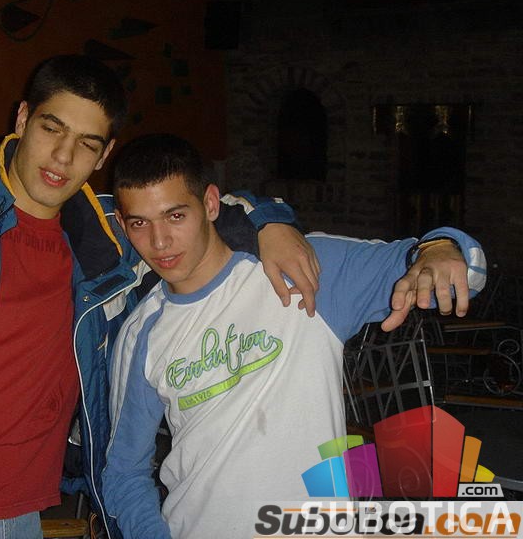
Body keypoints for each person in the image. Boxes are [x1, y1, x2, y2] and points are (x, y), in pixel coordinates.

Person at [0, 56, 322, 539]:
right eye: (52, 128)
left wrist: (271, 223)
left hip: (26, 515)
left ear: (104, 154)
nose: (63, 156)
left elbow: (205, 211)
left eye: (87, 143)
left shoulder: (113, 238)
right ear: (22, 119)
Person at [102, 134, 486, 539]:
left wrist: (440, 248)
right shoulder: (142, 332)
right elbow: (124, 472)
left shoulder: (303, 268)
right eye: (140, 223)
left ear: (211, 204)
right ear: (124, 227)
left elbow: (461, 269)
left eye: (176, 216)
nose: (159, 242)